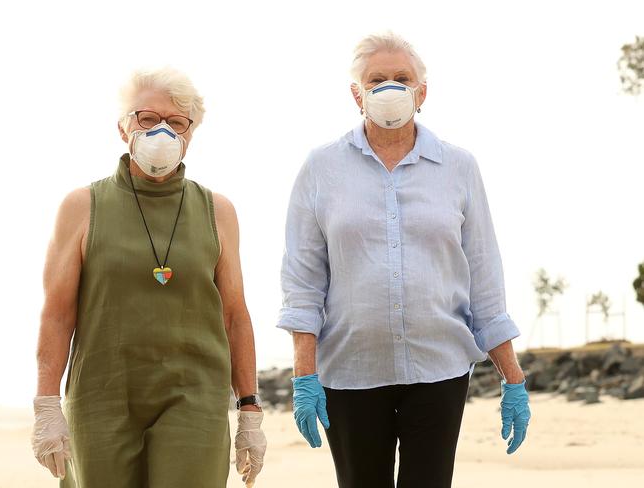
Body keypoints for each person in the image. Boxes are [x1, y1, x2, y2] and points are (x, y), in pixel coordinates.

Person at [277, 32, 531, 488]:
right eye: (376, 79)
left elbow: (485, 282)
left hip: (439, 369)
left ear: (422, 92)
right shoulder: (321, 168)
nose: (389, 87)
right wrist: (304, 376)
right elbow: (303, 282)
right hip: (350, 371)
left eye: (402, 78)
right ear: (357, 94)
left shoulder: (459, 167)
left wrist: (512, 378)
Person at [32, 67, 266, 488]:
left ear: (190, 134)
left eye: (176, 122)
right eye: (147, 119)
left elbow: (234, 315)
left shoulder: (219, 212)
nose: (162, 131)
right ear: (124, 128)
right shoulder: (83, 206)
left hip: (194, 399)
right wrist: (47, 405)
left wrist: (249, 409)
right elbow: (57, 314)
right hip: (102, 398)